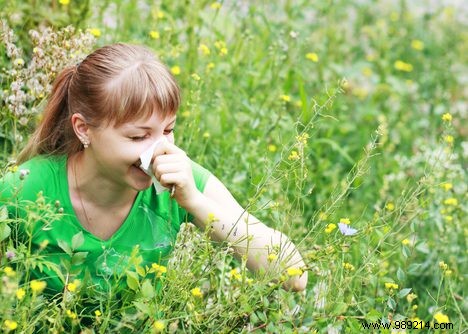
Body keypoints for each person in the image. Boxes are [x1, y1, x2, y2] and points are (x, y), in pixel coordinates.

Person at [0, 43, 307, 296]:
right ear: (83, 129)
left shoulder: (181, 179)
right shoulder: (25, 187)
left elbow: (294, 275)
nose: (159, 149)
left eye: (168, 130)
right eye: (138, 136)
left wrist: (195, 202)